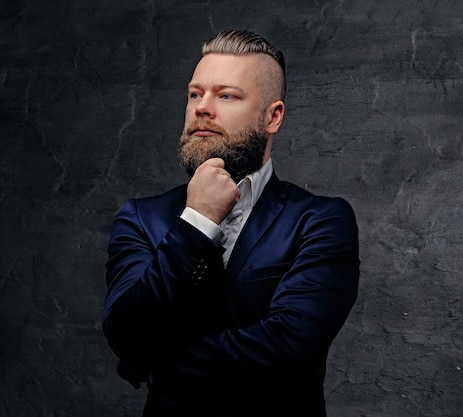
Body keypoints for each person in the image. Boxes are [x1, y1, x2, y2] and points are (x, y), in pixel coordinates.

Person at [102, 29, 360, 417]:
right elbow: (127, 333)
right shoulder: (143, 217)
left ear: (272, 117)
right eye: (195, 94)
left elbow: (288, 348)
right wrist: (198, 221)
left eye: (226, 95)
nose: (202, 108)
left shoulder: (320, 221)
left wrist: (157, 360)